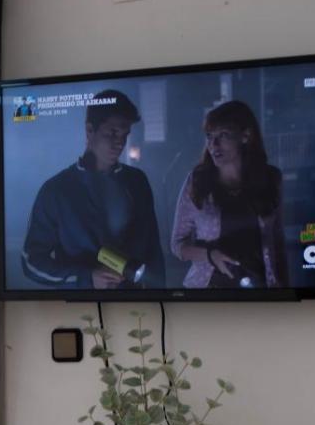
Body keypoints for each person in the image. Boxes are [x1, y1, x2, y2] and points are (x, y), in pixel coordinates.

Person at [21, 89, 165, 290]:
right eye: (112, 133)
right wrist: (85, 277)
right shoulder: (56, 190)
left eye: (124, 135)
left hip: (135, 302)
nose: (120, 143)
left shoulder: (136, 182)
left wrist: (158, 297)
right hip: (82, 303)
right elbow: (31, 262)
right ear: (90, 130)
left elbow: (153, 252)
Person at [171, 100, 288, 289]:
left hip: (260, 291)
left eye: (223, 135)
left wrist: (284, 291)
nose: (213, 144)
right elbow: (178, 244)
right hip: (209, 292)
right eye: (209, 136)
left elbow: (277, 241)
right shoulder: (197, 181)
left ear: (245, 136)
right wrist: (210, 255)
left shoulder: (271, 178)